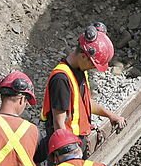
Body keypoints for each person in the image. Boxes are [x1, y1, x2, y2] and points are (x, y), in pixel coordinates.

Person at [40, 22, 126, 156]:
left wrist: (110, 115)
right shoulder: (61, 80)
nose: (94, 69)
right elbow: (59, 124)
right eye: (93, 65)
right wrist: (70, 154)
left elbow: (85, 103)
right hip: (66, 150)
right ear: (83, 56)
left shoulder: (80, 70)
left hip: (77, 142)